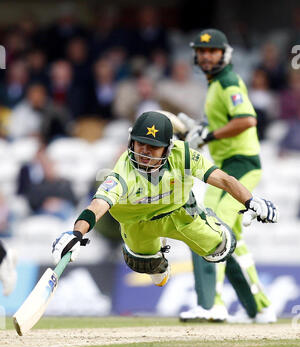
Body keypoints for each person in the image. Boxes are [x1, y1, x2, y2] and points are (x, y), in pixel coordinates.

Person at [52, 111, 278, 292]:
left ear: (168, 148)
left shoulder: (184, 155)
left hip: (180, 212)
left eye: (153, 147)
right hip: (138, 222)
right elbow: (96, 206)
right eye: (140, 144)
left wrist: (251, 201)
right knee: (144, 266)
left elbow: (224, 180)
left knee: (221, 248)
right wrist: (76, 233)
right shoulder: (122, 173)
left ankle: (209, 223)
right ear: (132, 141)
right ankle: (156, 254)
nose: (144, 152)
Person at [178, 29, 277, 324]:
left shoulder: (229, 81)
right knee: (234, 241)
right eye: (202, 51)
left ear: (225, 54)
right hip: (229, 165)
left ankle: (212, 304)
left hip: (241, 165)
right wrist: (203, 132)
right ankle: (260, 307)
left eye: (213, 51)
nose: (207, 56)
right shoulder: (215, 85)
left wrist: (209, 135)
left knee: (209, 224)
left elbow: (247, 119)